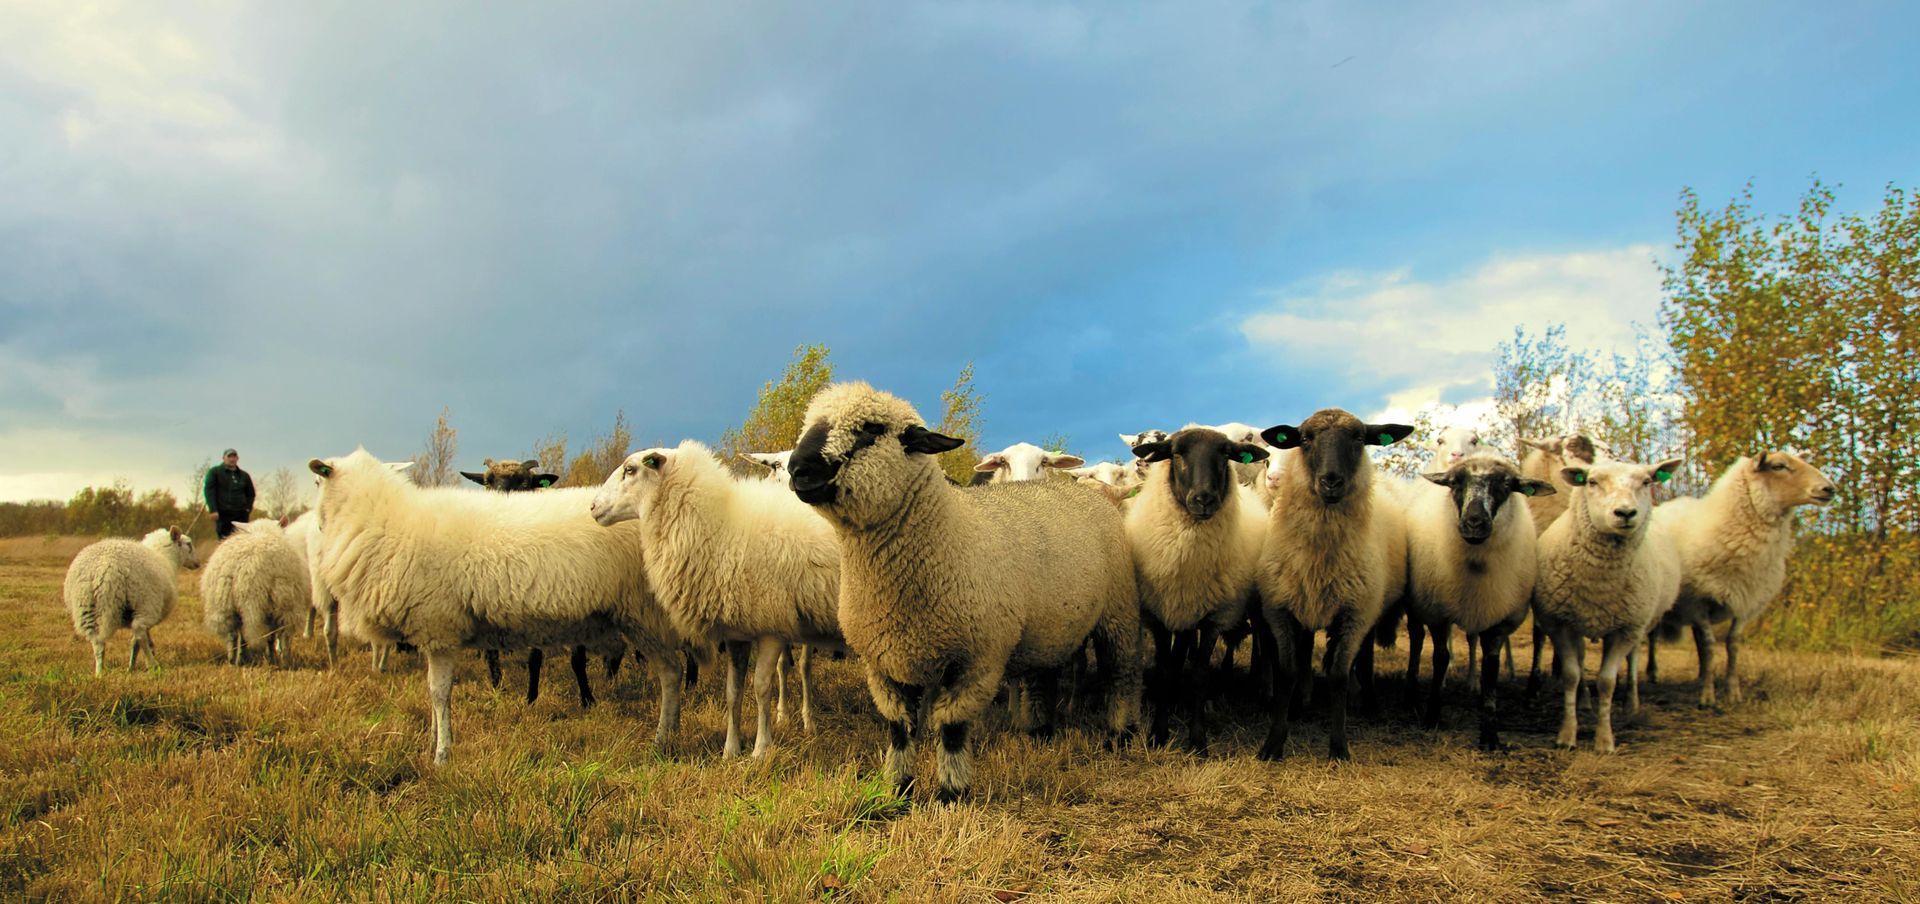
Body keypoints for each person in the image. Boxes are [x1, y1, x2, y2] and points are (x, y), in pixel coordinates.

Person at [203, 448, 256, 539]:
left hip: (241, 516)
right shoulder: (215, 472)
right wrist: (213, 509)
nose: (232, 459)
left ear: (237, 458)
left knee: (242, 540)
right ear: (223, 458)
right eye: (229, 456)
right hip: (223, 515)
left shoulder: (244, 476)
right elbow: (209, 490)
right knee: (224, 541)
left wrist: (247, 509)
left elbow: (251, 494)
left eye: (234, 456)